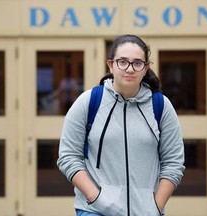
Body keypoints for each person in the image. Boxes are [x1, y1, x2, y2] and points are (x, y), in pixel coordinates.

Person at [57, 34, 185, 216]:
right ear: (111, 64)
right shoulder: (89, 102)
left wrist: (155, 206)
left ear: (146, 67)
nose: (130, 69)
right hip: (95, 211)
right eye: (122, 62)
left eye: (137, 63)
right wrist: (96, 197)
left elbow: (174, 162)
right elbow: (68, 156)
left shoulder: (161, 106)